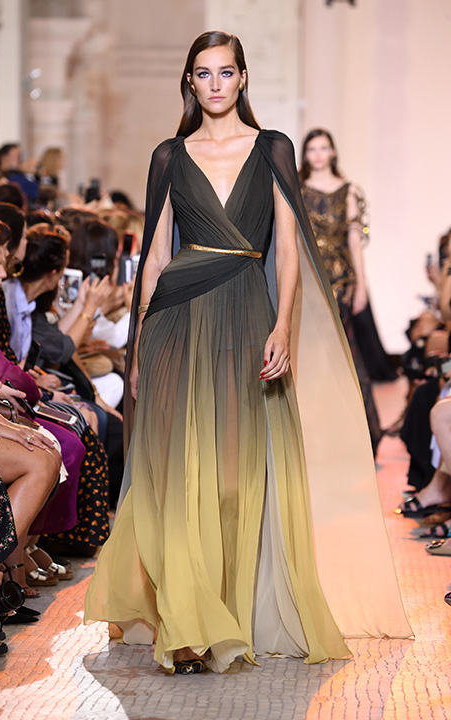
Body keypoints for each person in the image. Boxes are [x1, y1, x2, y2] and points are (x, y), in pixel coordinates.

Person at [84, 31, 411, 675]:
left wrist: (283, 325)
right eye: (203, 73)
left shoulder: (273, 149)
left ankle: (230, 609)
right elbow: (154, 256)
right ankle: (188, 625)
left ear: (242, 79)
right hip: (177, 318)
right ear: (189, 81)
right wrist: (140, 348)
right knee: (179, 473)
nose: (215, 84)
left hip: (248, 318)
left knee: (236, 480)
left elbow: (288, 250)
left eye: (225, 72)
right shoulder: (169, 155)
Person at [299, 129, 391, 455]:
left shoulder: (348, 191)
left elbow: (354, 240)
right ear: (305, 154)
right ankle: (311, 437)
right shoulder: (297, 189)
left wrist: (362, 285)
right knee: (310, 355)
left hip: (340, 282)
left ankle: (359, 437)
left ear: (333, 152)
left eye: (324, 148)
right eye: (312, 148)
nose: (318, 154)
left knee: (344, 354)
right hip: (308, 279)